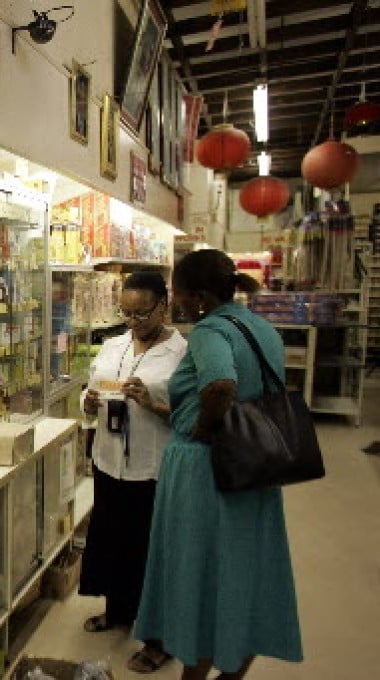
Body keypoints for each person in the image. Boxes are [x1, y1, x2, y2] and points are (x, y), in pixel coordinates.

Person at [134, 250, 303, 680]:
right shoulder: (261, 327)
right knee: (243, 575)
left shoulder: (209, 331)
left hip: (208, 471)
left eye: (179, 293)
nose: (175, 302)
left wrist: (203, 430)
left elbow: (221, 386)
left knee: (199, 577)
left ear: (200, 296)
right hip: (257, 464)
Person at [79, 271, 185, 674]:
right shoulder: (112, 346)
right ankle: (118, 611)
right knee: (112, 541)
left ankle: (159, 640)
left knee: (150, 552)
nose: (133, 321)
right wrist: (89, 404)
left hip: (152, 467)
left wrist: (153, 403)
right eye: (126, 313)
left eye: (142, 313)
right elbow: (91, 400)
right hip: (109, 461)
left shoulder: (181, 354)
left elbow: (191, 418)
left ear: (163, 305)